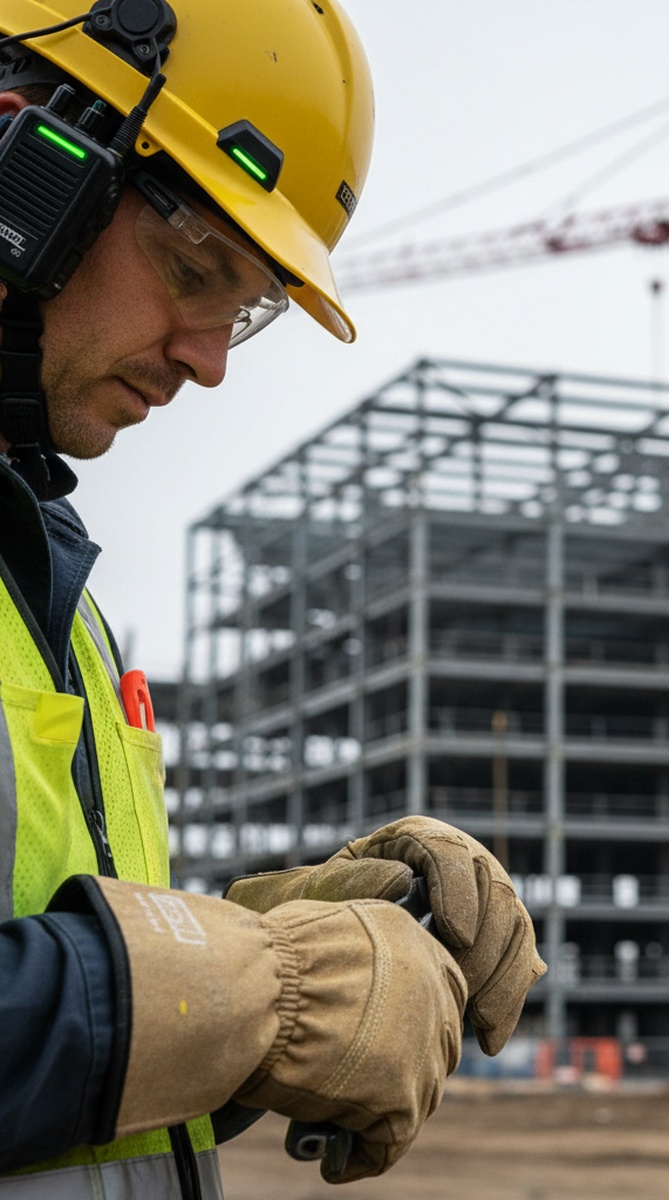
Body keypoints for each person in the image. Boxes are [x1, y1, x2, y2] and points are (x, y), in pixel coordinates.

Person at [0, 1, 545, 1195]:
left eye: (243, 306)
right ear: (24, 162)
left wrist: (289, 935)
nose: (210, 358)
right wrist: (259, 991)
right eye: (195, 270)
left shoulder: (57, 599)